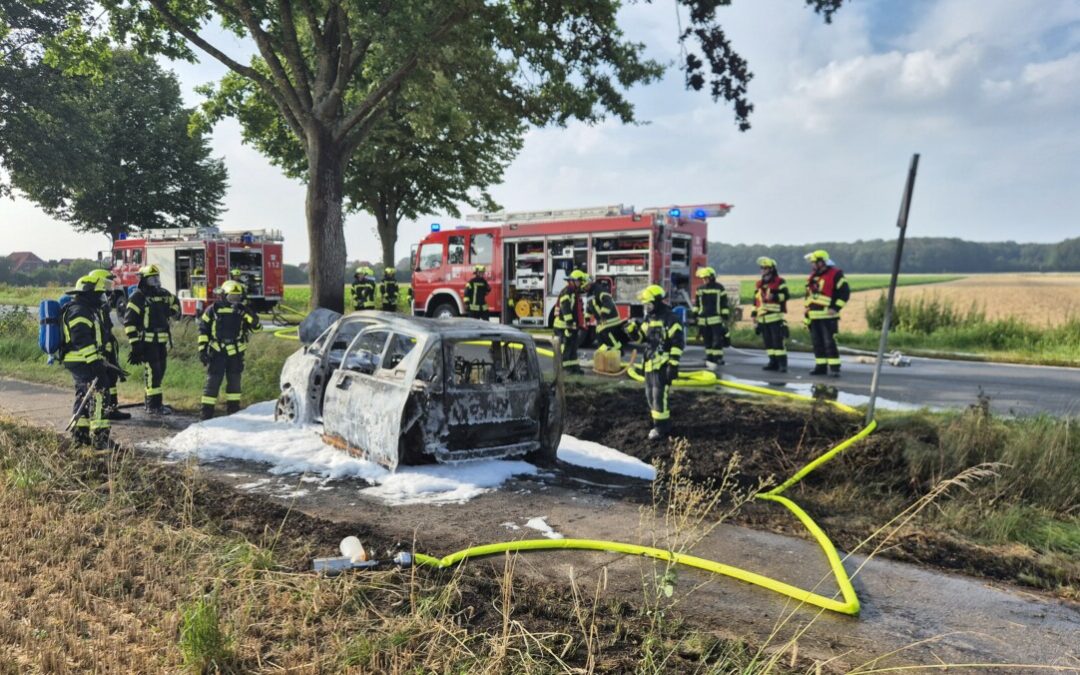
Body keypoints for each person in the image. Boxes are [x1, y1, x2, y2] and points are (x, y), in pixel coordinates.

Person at [197, 280, 262, 420]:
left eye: (237, 297)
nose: (235, 300)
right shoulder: (212, 309)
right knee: (212, 382)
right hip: (217, 352)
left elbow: (257, 328)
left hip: (236, 353)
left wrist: (246, 315)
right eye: (232, 297)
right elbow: (203, 331)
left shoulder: (243, 310)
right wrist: (202, 351)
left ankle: (233, 412)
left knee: (234, 384)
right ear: (224, 295)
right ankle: (206, 413)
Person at [60, 275, 111, 449]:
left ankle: (80, 436)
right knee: (98, 393)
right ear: (88, 293)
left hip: (84, 360)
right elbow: (81, 338)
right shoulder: (79, 310)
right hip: (81, 360)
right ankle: (100, 439)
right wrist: (94, 362)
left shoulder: (85, 309)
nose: (102, 298)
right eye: (99, 294)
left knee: (85, 394)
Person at [123, 264, 180, 414]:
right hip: (147, 342)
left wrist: (171, 311)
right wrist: (135, 345)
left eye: (157, 278)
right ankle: (153, 406)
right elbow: (129, 322)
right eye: (152, 279)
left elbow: (175, 303)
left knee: (160, 371)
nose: (156, 282)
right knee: (153, 372)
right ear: (143, 280)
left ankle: (155, 402)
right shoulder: (138, 296)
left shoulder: (163, 294)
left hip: (161, 341)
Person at [638, 284, 684, 441]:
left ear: (657, 302)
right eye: (645, 305)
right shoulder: (649, 318)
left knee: (658, 396)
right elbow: (642, 338)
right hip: (650, 363)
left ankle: (661, 427)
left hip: (663, 365)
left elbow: (678, 343)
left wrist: (673, 365)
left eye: (649, 304)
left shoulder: (671, 319)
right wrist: (631, 331)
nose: (647, 308)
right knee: (649, 396)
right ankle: (657, 422)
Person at [86, 268, 130, 420]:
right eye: (106, 283)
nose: (109, 288)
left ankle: (112, 408)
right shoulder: (91, 307)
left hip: (108, 350)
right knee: (100, 384)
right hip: (98, 353)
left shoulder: (102, 305)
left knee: (111, 379)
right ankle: (99, 413)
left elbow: (107, 329)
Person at [804, 249, 850, 377]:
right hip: (814, 316)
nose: (812, 265)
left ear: (821, 262)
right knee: (817, 343)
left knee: (829, 343)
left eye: (814, 262)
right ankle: (820, 367)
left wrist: (835, 308)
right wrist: (807, 307)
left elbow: (845, 293)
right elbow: (810, 295)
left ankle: (834, 368)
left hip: (828, 316)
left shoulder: (835, 274)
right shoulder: (814, 277)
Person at [752, 257, 790, 372]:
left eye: (765, 268)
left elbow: (786, 295)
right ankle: (772, 362)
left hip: (775, 318)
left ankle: (782, 364)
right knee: (768, 343)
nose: (762, 270)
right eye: (761, 268)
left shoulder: (779, 281)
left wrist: (775, 296)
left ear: (771, 269)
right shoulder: (759, 284)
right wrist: (754, 315)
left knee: (777, 343)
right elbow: (756, 302)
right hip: (763, 319)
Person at [692, 266, 730, 370]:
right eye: (703, 278)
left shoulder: (719, 288)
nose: (704, 280)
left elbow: (724, 302)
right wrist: (695, 314)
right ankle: (709, 357)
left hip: (715, 319)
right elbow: (697, 304)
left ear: (712, 277)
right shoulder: (700, 289)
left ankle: (718, 357)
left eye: (706, 278)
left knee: (717, 340)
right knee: (707, 340)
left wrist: (724, 314)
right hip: (703, 320)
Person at [553, 269, 588, 375]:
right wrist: (569, 323)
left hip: (570, 326)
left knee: (573, 347)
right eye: (579, 281)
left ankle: (574, 368)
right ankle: (565, 369)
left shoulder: (573, 291)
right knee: (566, 348)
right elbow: (565, 307)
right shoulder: (567, 291)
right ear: (573, 281)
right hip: (563, 326)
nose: (581, 284)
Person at [586, 278, 631, 354]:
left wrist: (603, 314)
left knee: (607, 334)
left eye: (585, 286)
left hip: (610, 319)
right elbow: (590, 306)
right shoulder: (589, 294)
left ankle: (619, 351)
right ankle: (604, 356)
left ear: (589, 284)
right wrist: (587, 317)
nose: (584, 288)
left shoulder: (599, 290)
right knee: (600, 337)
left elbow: (608, 302)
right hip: (602, 321)